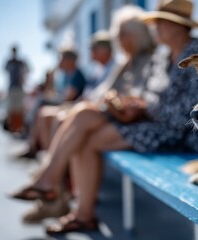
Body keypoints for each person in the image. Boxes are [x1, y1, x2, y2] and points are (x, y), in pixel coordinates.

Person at [11, 0, 198, 234]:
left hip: (182, 133)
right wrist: (136, 104)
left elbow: (191, 113)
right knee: (86, 133)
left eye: (161, 22)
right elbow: (151, 95)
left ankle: (53, 186)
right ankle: (77, 209)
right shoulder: (164, 55)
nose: (155, 27)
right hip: (153, 123)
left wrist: (143, 108)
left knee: (86, 119)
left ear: (178, 26)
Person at [19, 6, 156, 223]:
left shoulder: (150, 60)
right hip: (116, 116)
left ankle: (51, 186)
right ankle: (58, 192)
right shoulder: (126, 63)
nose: (117, 40)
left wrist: (119, 101)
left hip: (132, 120)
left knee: (79, 117)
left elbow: (145, 99)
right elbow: (105, 92)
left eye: (122, 34)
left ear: (136, 35)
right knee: (69, 119)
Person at [17, 30, 116, 159]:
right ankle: (50, 161)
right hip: (85, 107)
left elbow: (70, 97)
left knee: (56, 116)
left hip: (94, 110)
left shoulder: (111, 68)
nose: (91, 52)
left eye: (94, 49)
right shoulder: (96, 70)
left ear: (104, 50)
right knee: (45, 113)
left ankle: (54, 165)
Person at [23, 48, 87, 135]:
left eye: (61, 59)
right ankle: (31, 137)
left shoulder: (77, 75)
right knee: (42, 103)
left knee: (42, 100)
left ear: (70, 60)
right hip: (65, 102)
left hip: (71, 104)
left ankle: (27, 128)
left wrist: (53, 96)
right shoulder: (66, 75)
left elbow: (69, 97)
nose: (59, 62)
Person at [4, 45, 29, 133]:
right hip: (12, 87)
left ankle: (20, 127)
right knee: (12, 108)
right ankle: (13, 128)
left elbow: (27, 70)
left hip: (19, 87)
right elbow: (5, 70)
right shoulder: (9, 62)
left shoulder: (21, 62)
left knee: (20, 108)